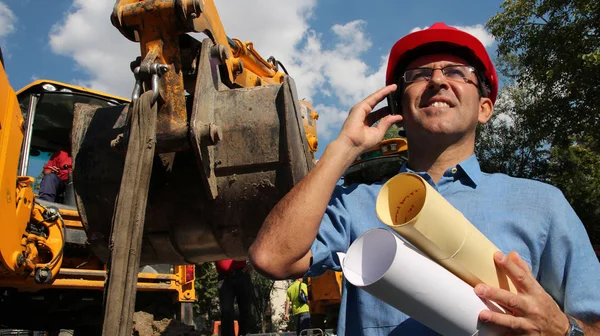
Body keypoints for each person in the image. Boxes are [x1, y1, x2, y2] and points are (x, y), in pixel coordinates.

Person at [249, 22, 600, 335]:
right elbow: (271, 258)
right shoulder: (354, 205)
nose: (436, 80)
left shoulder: (543, 204)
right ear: (398, 108)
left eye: (457, 72)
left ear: (484, 108)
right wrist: (345, 147)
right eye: (418, 74)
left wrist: (563, 330)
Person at [215, 259, 254, 336]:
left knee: (245, 310)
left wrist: (252, 264)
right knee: (226, 310)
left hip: (241, 274)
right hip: (224, 277)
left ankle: (243, 334)